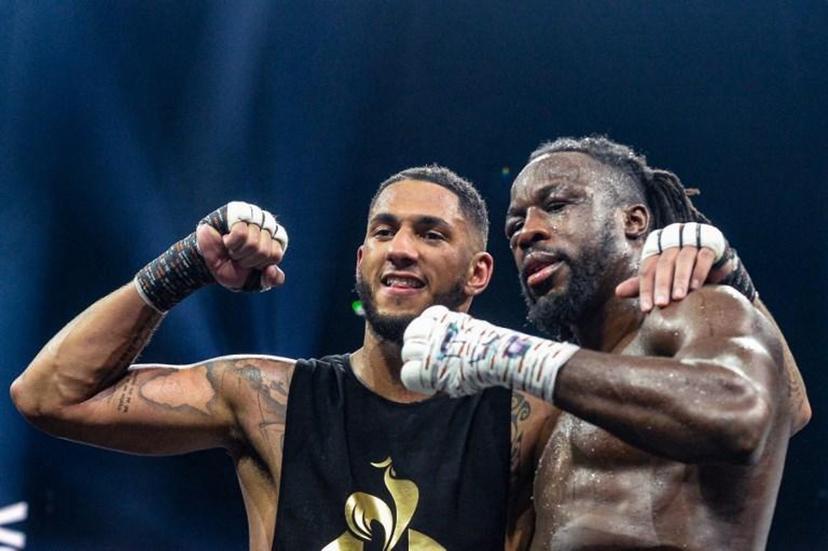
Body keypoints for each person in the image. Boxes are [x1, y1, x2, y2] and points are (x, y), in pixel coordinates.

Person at [11, 164, 737, 549]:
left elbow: (757, 418)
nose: (400, 248)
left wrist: (721, 274)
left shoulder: (536, 410)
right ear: (360, 260)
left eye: (429, 233)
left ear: (479, 272)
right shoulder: (271, 397)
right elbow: (47, 394)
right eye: (385, 230)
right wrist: (188, 264)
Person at [401, 136, 811, 550]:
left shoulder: (694, 313)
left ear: (633, 221)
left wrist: (509, 354)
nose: (527, 233)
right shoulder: (568, 394)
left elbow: (744, 415)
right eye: (514, 226)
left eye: (557, 205)